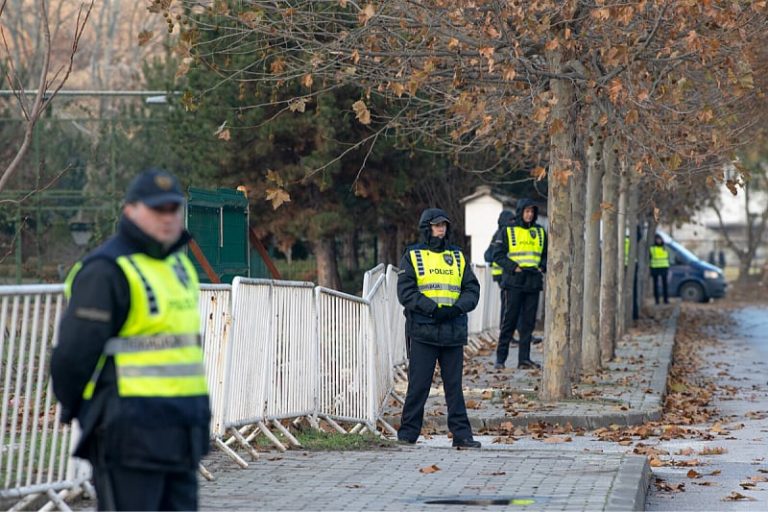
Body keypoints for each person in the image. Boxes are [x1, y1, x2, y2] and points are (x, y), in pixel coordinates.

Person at [51, 169, 210, 511]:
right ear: (130, 211)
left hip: (182, 432)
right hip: (129, 435)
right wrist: (83, 412)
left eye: (173, 208)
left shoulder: (178, 266)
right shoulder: (106, 269)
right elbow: (73, 356)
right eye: (157, 209)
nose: (167, 217)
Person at [397, 208, 481, 449]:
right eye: (436, 225)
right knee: (418, 385)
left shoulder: (457, 256)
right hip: (423, 330)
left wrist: (456, 309)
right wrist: (433, 309)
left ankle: (462, 435)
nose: (441, 229)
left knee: (454, 387)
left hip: (452, 329)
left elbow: (472, 289)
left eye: (444, 225)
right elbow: (406, 292)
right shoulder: (413, 255)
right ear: (427, 228)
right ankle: (408, 434)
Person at [491, 198, 547, 370]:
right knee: (509, 321)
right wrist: (513, 267)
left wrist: (542, 266)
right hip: (514, 281)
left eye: (532, 211)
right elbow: (497, 255)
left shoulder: (540, 231)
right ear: (520, 212)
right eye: (527, 211)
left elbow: (546, 253)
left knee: (528, 324)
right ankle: (500, 359)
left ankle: (524, 359)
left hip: (533, 281)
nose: (529, 215)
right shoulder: (508, 231)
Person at [649, 233, 670, 304]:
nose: (658, 241)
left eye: (659, 239)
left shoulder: (665, 247)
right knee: (656, 285)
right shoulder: (652, 248)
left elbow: (668, 257)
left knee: (665, 285)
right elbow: (650, 258)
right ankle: (657, 300)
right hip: (655, 267)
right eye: (657, 239)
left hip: (664, 267)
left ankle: (665, 299)